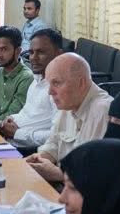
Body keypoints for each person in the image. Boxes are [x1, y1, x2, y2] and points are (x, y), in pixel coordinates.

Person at [27, 53, 112, 183]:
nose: (50, 92)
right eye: (49, 84)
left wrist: (59, 174)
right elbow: (54, 142)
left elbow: (95, 175)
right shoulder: (69, 101)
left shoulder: (102, 110)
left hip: (79, 195)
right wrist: (40, 158)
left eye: (56, 83)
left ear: (81, 83)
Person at [0, 29, 64, 150]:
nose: (33, 58)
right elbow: (27, 113)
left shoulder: (60, 90)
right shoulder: (36, 79)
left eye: (41, 52)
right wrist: (10, 120)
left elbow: (56, 136)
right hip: (9, 140)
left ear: (58, 54)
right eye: (31, 52)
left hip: (27, 151)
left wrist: (17, 133)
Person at [0, 25, 34, 125]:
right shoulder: (3, 70)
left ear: (18, 51)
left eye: (4, 49)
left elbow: (13, 113)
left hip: (11, 128)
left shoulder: (26, 77)